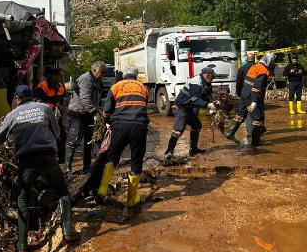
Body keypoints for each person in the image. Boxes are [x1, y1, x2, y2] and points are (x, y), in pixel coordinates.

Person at [0, 85, 80, 252]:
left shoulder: (12, 115)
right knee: (62, 192)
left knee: (23, 199)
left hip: (26, 161)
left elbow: (0, 136)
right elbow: (57, 132)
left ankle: (22, 245)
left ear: (17, 99)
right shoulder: (45, 109)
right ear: (31, 96)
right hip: (48, 158)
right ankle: (68, 232)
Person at [96, 66, 150, 207]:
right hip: (139, 126)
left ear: (123, 76)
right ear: (136, 76)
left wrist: (108, 123)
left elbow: (107, 111)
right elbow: (144, 107)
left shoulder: (116, 87)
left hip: (120, 126)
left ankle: (102, 190)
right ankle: (132, 200)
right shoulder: (143, 88)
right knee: (136, 159)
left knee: (112, 157)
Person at [162, 67, 216, 161]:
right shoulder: (195, 82)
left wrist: (212, 105)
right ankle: (168, 152)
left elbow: (207, 96)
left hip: (189, 108)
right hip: (182, 108)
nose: (213, 79)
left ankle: (193, 149)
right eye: (213, 77)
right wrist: (207, 105)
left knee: (197, 126)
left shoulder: (206, 83)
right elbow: (194, 99)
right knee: (178, 130)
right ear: (208, 75)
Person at [65, 61, 106, 175]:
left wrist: (99, 111)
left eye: (104, 72)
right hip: (78, 114)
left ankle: (87, 167)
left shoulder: (98, 81)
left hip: (89, 115)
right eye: (101, 72)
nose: (103, 74)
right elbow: (85, 98)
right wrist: (94, 112)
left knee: (89, 142)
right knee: (74, 140)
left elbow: (98, 99)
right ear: (94, 70)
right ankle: (68, 168)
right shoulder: (85, 79)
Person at [225, 53, 276, 147]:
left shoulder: (255, 66)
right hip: (252, 96)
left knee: (241, 114)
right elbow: (257, 87)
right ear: (269, 61)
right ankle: (256, 142)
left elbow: (246, 82)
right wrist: (254, 101)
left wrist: (243, 95)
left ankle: (230, 133)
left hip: (244, 94)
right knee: (258, 118)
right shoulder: (263, 71)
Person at [35, 67, 67, 164]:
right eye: (60, 77)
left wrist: (60, 106)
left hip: (56, 117)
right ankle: (48, 160)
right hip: (44, 117)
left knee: (62, 136)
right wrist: (51, 106)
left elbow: (63, 100)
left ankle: (61, 161)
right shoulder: (42, 87)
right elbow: (37, 103)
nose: (62, 79)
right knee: (46, 138)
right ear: (54, 76)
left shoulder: (60, 87)